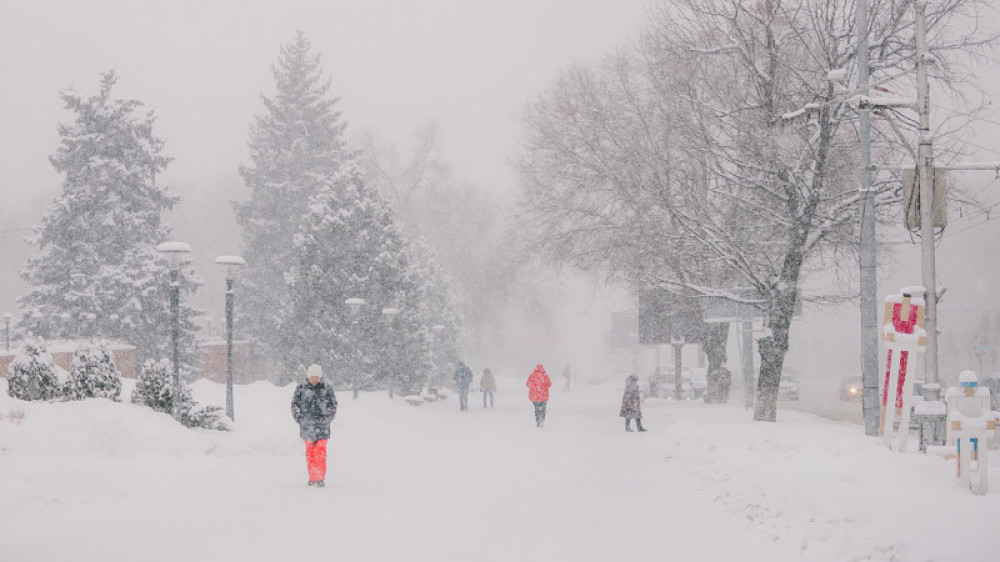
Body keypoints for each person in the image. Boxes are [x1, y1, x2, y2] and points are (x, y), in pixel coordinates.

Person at [291, 364, 338, 487]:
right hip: (307, 427)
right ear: (308, 377)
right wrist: (299, 418)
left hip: (322, 426)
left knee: (320, 452)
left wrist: (327, 419)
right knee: (310, 453)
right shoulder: (300, 388)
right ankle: (313, 477)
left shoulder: (327, 388)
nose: (314, 380)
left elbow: (333, 405)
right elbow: (294, 405)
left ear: (320, 377)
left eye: (316, 377)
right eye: (312, 377)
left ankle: (320, 478)